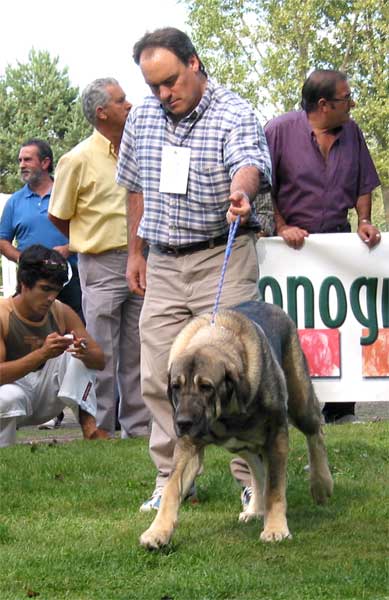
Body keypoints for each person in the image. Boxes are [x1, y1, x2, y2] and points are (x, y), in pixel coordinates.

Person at [116, 27, 272, 511]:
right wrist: (135, 252)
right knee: (158, 375)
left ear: (194, 64)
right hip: (162, 261)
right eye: (154, 87)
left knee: (234, 375)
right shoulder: (142, 117)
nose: (164, 95)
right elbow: (134, 186)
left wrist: (241, 193)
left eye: (170, 83)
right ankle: (173, 477)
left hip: (219, 256)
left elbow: (250, 163)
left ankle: (253, 480)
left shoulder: (234, 111)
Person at [265, 68, 381, 424]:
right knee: (294, 330)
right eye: (347, 98)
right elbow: (262, 184)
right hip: (288, 253)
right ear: (323, 104)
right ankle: (287, 409)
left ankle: (342, 410)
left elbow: (364, 182)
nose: (352, 103)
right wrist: (281, 226)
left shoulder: (353, 133)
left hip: (337, 246)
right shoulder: (278, 131)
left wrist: (363, 221)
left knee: (340, 325)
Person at [48, 78, 150, 438]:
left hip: (141, 259)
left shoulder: (140, 148)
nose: (130, 105)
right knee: (100, 351)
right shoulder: (76, 159)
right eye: (122, 100)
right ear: (101, 112)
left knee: (138, 349)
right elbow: (57, 215)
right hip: (100, 263)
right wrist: (89, 242)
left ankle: (137, 429)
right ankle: (101, 428)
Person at [0, 138, 84, 430]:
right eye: (21, 160)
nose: (21, 165)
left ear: (45, 163)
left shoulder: (66, 192)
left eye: (27, 159)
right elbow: (2, 240)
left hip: (70, 278)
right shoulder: (15, 202)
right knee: (22, 341)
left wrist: (68, 248)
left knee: (76, 344)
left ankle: (87, 414)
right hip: (31, 284)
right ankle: (36, 405)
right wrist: (24, 260)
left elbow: (86, 229)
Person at [0, 244, 107, 447]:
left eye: (56, 290)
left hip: (47, 396)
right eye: (45, 289)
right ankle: (5, 452)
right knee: (7, 397)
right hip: (12, 396)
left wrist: (83, 352)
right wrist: (42, 354)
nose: (51, 297)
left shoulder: (61, 311)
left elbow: (100, 360)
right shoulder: (3, 313)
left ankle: (90, 431)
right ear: (24, 284)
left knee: (75, 351)